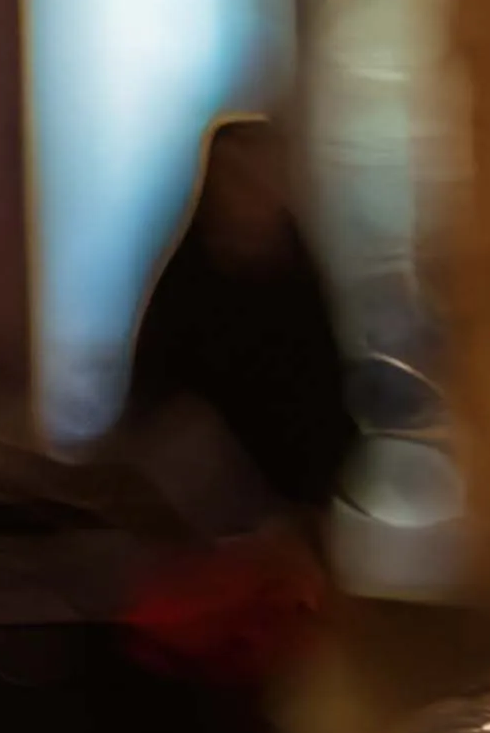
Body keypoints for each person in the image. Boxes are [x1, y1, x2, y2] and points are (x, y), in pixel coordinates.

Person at [130, 109, 362, 540]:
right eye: (238, 177)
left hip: (297, 520)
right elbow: (158, 399)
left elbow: (322, 388)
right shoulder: (189, 286)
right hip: (209, 531)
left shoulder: (297, 281)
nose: (254, 190)